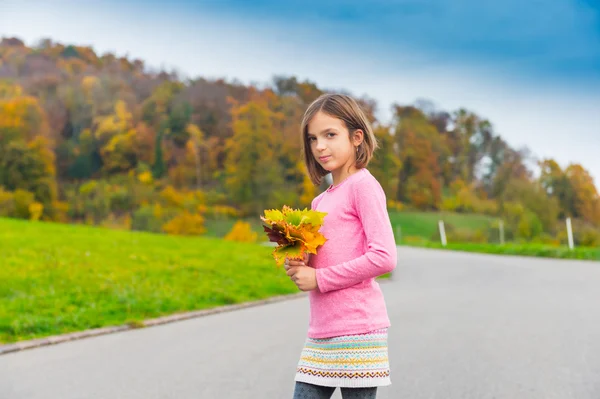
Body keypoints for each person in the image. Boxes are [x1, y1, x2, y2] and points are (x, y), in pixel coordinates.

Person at [285, 93, 397, 399]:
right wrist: (298, 263)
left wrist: (319, 278)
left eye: (330, 135)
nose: (320, 146)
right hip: (321, 331)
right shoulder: (319, 201)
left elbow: (384, 257)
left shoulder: (363, 186)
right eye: (312, 138)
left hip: (358, 329)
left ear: (356, 137)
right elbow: (319, 262)